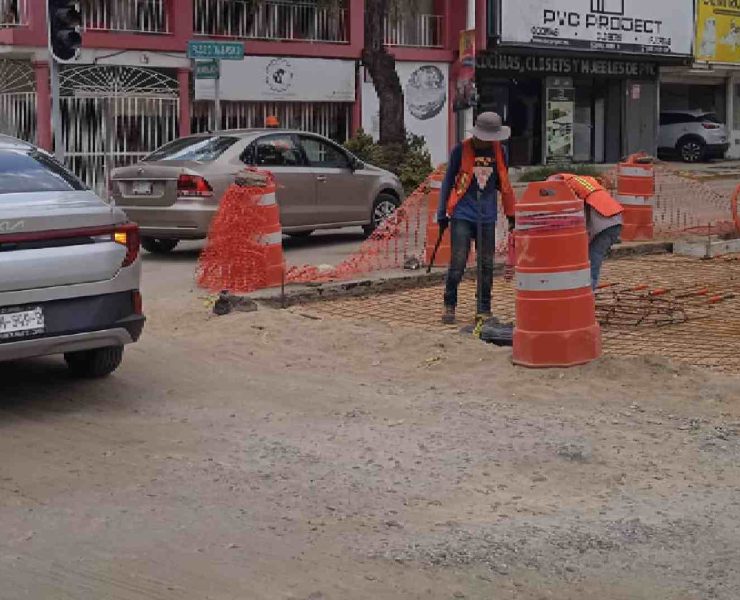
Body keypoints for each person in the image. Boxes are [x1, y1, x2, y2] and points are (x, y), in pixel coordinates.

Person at [437, 112, 517, 325]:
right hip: (462, 213)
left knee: (486, 264)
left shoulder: (501, 152)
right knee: (458, 262)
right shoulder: (460, 150)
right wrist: (441, 213)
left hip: (487, 215)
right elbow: (447, 182)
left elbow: (504, 183)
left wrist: (512, 215)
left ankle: (483, 308)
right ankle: (449, 303)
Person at [548, 174, 624, 289]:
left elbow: (572, 215)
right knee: (589, 260)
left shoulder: (560, 184)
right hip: (612, 219)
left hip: (606, 222)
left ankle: (586, 296)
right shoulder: (580, 181)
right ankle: (582, 293)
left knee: (592, 261)